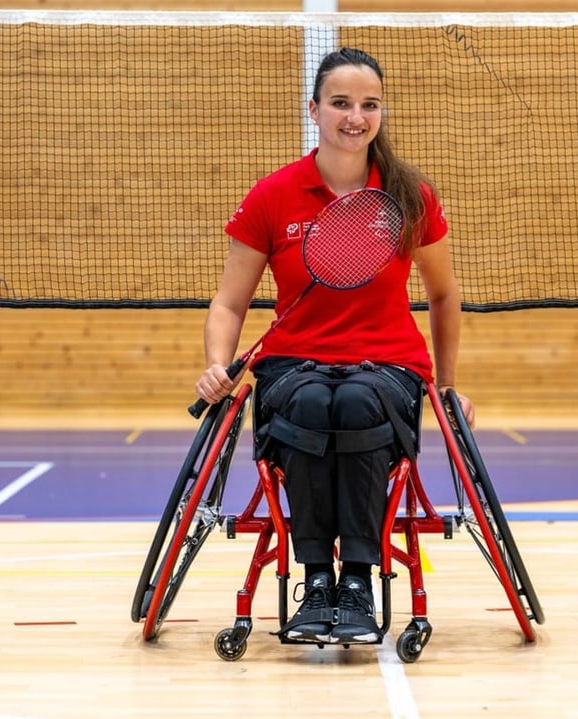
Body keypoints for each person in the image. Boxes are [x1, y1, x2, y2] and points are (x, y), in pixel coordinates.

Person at [194, 47, 475, 645]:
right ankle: (316, 579)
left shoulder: (409, 195)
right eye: (341, 103)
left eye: (369, 104)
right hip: (295, 362)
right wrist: (218, 364)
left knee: (353, 405)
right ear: (314, 109)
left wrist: (447, 385)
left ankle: (356, 582)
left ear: (382, 112)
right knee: (312, 405)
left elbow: (445, 295)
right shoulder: (274, 195)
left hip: (389, 364)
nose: (356, 117)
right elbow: (229, 303)